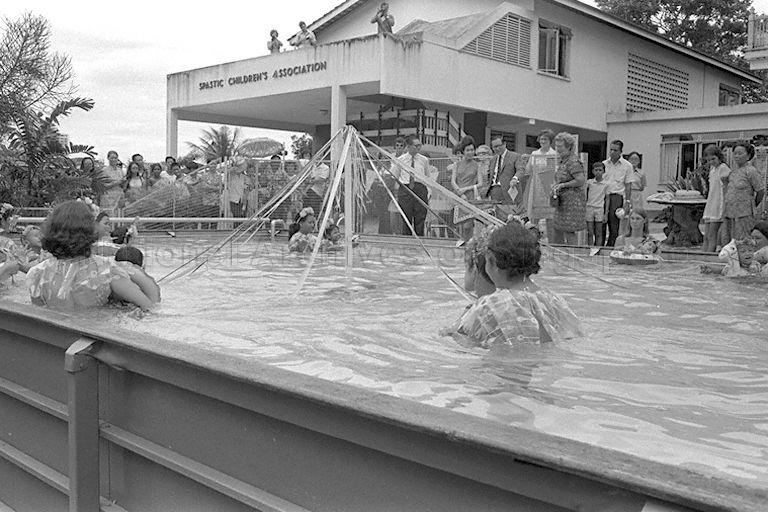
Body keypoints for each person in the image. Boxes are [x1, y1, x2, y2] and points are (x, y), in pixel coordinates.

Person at [454, 222, 582, 346]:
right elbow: (573, 338)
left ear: (493, 261)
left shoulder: (488, 306)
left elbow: (462, 341)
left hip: (503, 366)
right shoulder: (555, 300)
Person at [27, 201, 156, 311]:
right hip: (96, 337)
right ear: (89, 230)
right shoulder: (107, 271)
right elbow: (150, 308)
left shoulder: (36, 274)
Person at [723, 142, 765, 242]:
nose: (737, 156)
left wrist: (752, 205)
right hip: (730, 213)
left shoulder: (751, 171)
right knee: (731, 243)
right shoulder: (732, 172)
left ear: (748, 155)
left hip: (745, 213)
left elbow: (760, 191)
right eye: (735, 153)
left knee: (744, 242)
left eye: (740, 153)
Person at [551, 132, 586, 244]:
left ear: (569, 147)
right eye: (556, 146)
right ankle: (559, 254)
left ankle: (572, 256)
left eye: (560, 146)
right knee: (557, 228)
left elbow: (580, 180)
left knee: (569, 231)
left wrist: (563, 185)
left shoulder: (573, 161)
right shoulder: (563, 161)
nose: (558, 149)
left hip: (572, 201)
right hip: (562, 200)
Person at [395, 135, 430, 236]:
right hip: (405, 190)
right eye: (416, 145)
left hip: (420, 189)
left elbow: (427, 177)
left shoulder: (424, 160)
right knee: (406, 219)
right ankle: (407, 242)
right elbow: (396, 176)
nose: (419, 147)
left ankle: (420, 242)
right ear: (409, 146)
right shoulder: (401, 160)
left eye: (420, 145)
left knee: (420, 219)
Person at [450, 136, 482, 240]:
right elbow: (453, 181)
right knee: (457, 224)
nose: (470, 152)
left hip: (470, 197)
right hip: (458, 196)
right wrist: (460, 192)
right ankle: (459, 244)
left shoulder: (477, 165)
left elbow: (480, 184)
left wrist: (467, 189)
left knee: (468, 224)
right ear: (463, 151)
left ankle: (469, 244)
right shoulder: (456, 164)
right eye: (468, 150)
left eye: (472, 150)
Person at [602, 140, 633, 247]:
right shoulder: (604, 164)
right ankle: (600, 247)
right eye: (611, 149)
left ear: (620, 151)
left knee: (614, 225)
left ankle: (610, 247)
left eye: (615, 150)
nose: (612, 152)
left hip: (617, 197)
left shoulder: (627, 166)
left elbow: (628, 185)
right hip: (603, 197)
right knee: (601, 223)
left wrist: (627, 202)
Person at [701, 145, 731, 252]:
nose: (711, 162)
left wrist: (724, 208)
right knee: (706, 236)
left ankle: (709, 256)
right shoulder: (712, 170)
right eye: (708, 160)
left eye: (713, 159)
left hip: (718, 205)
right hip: (711, 204)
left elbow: (726, 189)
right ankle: (702, 256)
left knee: (712, 235)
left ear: (719, 157)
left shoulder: (723, 168)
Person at [485, 136, 519, 203]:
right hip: (493, 190)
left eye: (499, 146)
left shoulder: (515, 156)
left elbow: (520, 170)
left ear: (504, 144)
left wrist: (515, 178)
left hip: (508, 190)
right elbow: (489, 176)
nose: (497, 148)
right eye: (495, 147)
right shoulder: (492, 159)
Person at [585, 162, 609, 247]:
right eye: (596, 170)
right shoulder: (589, 183)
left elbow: (607, 199)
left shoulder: (606, 184)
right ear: (593, 171)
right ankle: (590, 248)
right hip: (589, 207)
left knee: (599, 232)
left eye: (600, 170)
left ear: (603, 171)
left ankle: (598, 249)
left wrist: (606, 214)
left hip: (599, 208)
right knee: (590, 231)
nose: (598, 172)